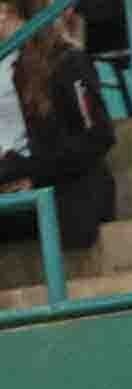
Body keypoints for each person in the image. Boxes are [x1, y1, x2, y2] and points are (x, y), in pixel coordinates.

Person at [0, 0, 115, 250]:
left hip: (70, 193)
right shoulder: (12, 67)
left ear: (9, 13)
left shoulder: (67, 62)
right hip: (27, 187)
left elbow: (98, 137)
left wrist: (30, 172)